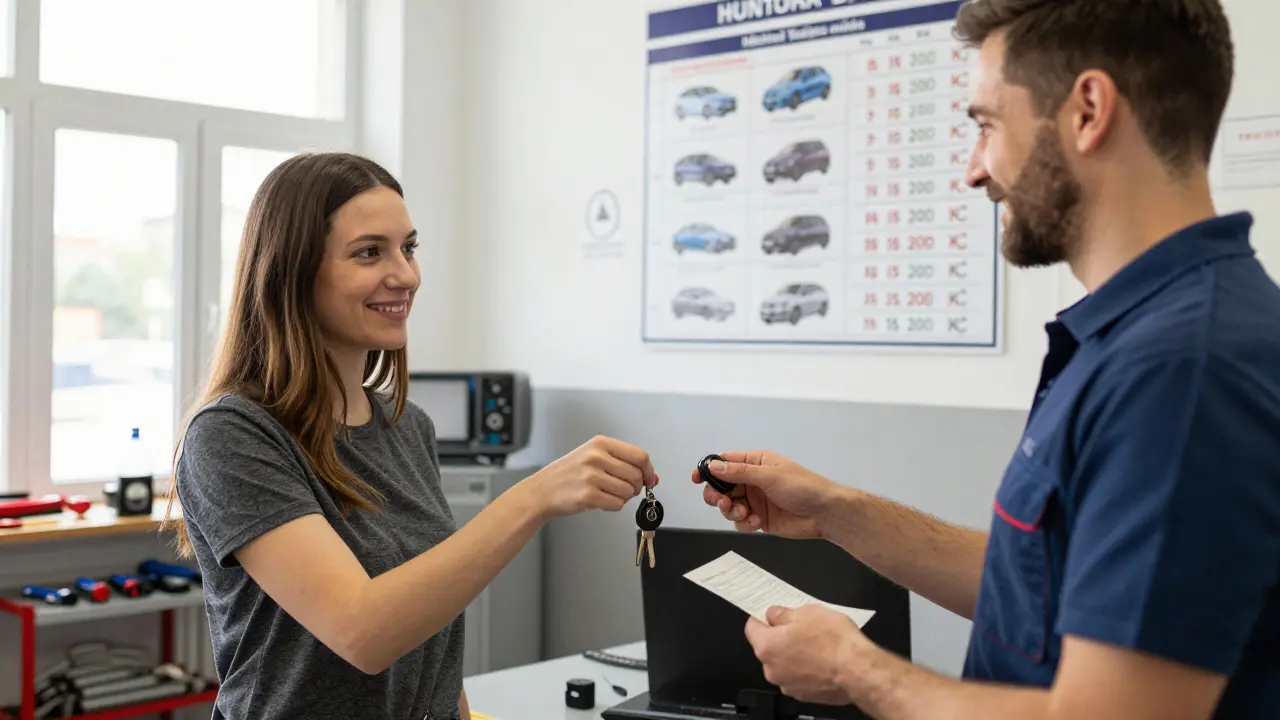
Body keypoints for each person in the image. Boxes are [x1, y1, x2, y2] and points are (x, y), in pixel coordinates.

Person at [695, 1, 1280, 718]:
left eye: (986, 126)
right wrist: (835, 512)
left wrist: (855, 671)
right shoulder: (1135, 337)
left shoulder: (1181, 371)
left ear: (1088, 110)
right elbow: (1047, 587)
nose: (974, 171)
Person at [161, 152, 658, 720]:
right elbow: (363, 630)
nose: (406, 275)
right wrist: (533, 497)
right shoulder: (233, 435)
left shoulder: (407, 427)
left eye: (409, 248)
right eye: (369, 252)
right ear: (292, 271)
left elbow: (429, 622)